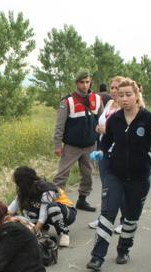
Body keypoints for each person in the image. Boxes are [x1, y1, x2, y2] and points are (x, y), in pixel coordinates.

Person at [86, 78, 151, 271]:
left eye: (128, 95)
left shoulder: (150, 120)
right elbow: (107, 141)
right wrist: (101, 151)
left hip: (139, 177)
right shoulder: (115, 119)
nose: (124, 99)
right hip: (115, 174)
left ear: (137, 95)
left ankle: (123, 249)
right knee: (108, 212)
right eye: (121, 95)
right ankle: (98, 256)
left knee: (131, 217)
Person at [52, 70, 103, 212]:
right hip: (71, 146)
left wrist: (101, 145)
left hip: (90, 146)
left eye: (87, 82)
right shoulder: (67, 101)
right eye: (82, 82)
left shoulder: (97, 100)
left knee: (88, 175)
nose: (85, 85)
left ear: (90, 82)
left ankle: (82, 200)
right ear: (76, 83)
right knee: (62, 175)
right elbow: (59, 125)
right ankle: (57, 203)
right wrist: (57, 145)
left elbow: (102, 122)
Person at [89, 75, 125, 235]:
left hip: (118, 153)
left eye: (117, 88)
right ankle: (103, 218)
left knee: (120, 188)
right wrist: (98, 127)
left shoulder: (126, 107)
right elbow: (102, 121)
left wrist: (108, 130)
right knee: (105, 187)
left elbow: (125, 130)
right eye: (112, 87)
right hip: (103, 150)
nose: (114, 90)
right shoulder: (109, 103)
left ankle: (125, 220)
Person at [7, 166, 76, 247]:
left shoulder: (46, 189)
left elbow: (43, 214)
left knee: (51, 207)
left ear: (22, 182)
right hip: (49, 214)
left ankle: (64, 232)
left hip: (67, 213)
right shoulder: (25, 190)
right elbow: (11, 209)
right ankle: (43, 230)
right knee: (27, 208)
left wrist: (33, 232)